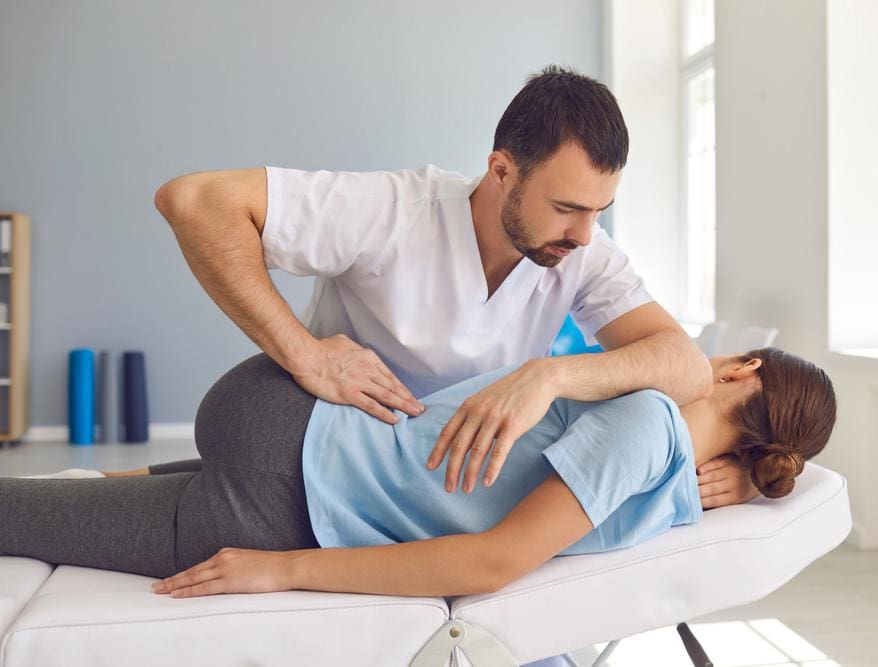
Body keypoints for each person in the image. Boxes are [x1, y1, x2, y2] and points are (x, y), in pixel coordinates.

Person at [150, 64, 757, 509]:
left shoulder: (582, 250)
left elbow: (683, 365)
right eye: (568, 207)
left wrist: (547, 376)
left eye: (601, 210)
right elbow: (195, 202)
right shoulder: (393, 209)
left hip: (447, 481)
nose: (585, 233)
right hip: (325, 454)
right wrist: (302, 353)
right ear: (501, 171)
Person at [1, 347, 835, 599]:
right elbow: (494, 557)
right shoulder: (654, 439)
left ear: (741, 368)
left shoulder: (647, 423)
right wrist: (283, 564)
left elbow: (490, 559)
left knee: (34, 510)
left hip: (285, 440)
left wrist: (285, 569)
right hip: (282, 478)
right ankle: (134, 486)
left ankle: (129, 481)